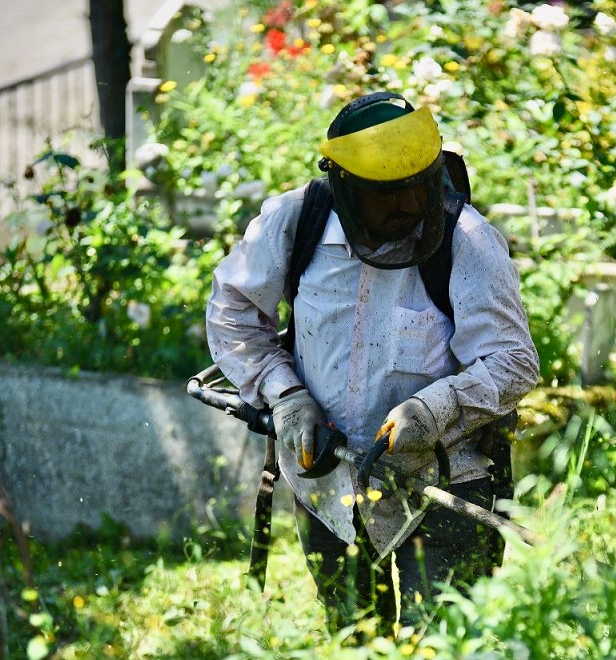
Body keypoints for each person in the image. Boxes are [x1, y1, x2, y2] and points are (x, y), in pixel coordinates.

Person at [206, 91, 539, 629]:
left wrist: (432, 411)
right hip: (327, 485)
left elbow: (512, 362)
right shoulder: (295, 223)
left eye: (419, 187)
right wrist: (287, 397)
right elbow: (233, 315)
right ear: (343, 185)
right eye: (388, 194)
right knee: (354, 650)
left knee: (446, 654)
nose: (409, 206)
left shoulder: (468, 240)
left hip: (443, 486)